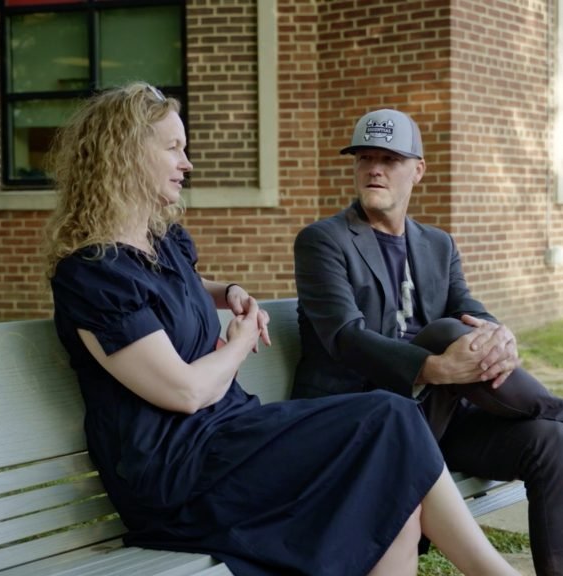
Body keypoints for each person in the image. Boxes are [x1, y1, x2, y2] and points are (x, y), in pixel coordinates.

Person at [43, 83, 521, 576]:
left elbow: (171, 288)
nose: (187, 163)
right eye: (173, 148)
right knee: (388, 419)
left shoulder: (160, 246)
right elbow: (185, 392)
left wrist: (227, 291)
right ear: (124, 156)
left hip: (230, 437)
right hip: (178, 474)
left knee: (389, 472)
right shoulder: (92, 275)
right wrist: (240, 343)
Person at [292, 108, 563, 576]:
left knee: (548, 438)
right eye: (364, 158)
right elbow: (345, 338)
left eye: (389, 159)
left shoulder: (437, 244)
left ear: (418, 170)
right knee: (445, 335)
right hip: (362, 419)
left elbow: (472, 310)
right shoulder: (323, 241)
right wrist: (434, 368)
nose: (374, 169)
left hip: (436, 419)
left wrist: (500, 335)